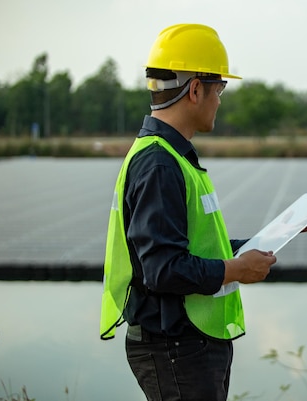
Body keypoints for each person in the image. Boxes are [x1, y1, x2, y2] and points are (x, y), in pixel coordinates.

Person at [99, 23, 277, 401]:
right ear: (196, 89)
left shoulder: (171, 157)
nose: (220, 99)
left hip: (184, 347)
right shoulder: (160, 165)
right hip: (175, 349)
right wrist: (238, 270)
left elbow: (194, 246)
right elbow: (163, 269)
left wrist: (266, 240)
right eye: (219, 89)